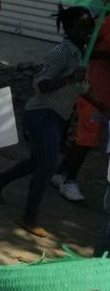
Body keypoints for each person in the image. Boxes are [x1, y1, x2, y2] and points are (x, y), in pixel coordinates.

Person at [0, 6, 94, 237]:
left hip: (58, 116)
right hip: (42, 113)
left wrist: (103, 106)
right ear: (70, 28)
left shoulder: (81, 52)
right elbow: (41, 84)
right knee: (47, 165)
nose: (89, 30)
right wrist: (68, 78)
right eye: (83, 27)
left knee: (38, 161)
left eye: (90, 26)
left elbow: (82, 89)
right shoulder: (62, 52)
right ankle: (29, 216)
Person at [52, 15, 110, 202]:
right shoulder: (103, 22)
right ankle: (69, 181)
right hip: (91, 90)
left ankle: (60, 173)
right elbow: (82, 48)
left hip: (106, 93)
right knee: (87, 136)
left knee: (90, 137)